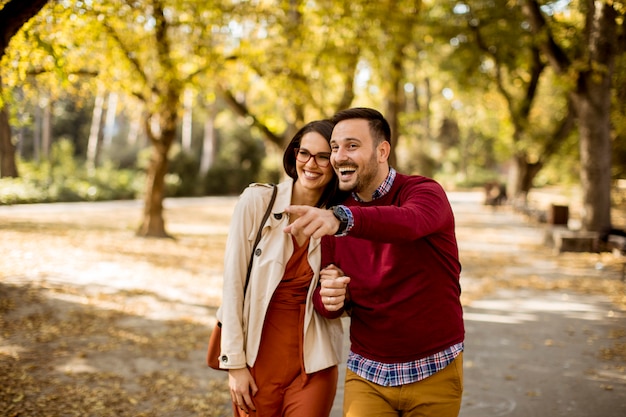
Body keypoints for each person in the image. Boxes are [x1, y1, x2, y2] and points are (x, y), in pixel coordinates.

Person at [284, 108, 465, 417]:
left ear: (382, 151)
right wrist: (330, 297)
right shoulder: (336, 217)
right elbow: (327, 300)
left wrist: (342, 219)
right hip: (368, 373)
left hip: (435, 367)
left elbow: (408, 223)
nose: (340, 156)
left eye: (352, 146)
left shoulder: (423, 193)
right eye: (336, 147)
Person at [217, 119, 348, 417]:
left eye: (324, 156)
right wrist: (235, 364)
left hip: (314, 364)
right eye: (304, 153)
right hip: (256, 359)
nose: (311, 164)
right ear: (294, 155)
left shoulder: (341, 221)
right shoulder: (257, 201)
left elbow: (352, 294)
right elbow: (232, 285)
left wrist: (340, 287)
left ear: (336, 162)